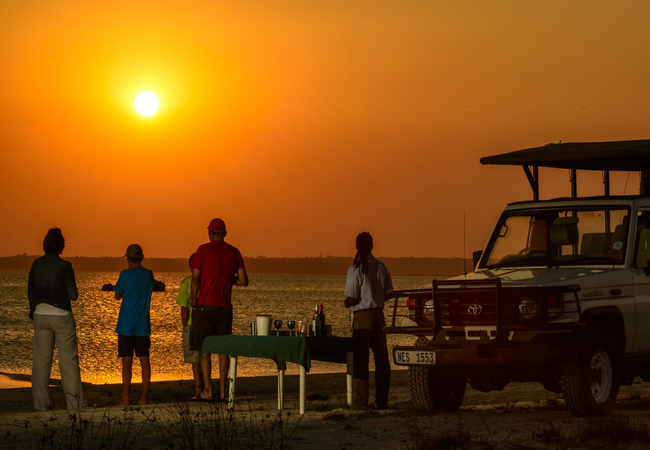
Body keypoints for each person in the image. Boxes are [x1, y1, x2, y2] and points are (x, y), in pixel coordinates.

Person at [28, 227, 89, 410]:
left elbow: (30, 292)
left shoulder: (36, 264)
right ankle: (75, 403)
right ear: (61, 245)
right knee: (69, 360)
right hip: (61, 315)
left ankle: (41, 404)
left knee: (41, 360)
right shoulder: (65, 266)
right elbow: (73, 295)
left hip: (40, 314)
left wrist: (34, 310)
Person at [190, 218, 248, 402]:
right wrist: (227, 279)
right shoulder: (234, 252)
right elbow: (243, 281)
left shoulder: (202, 250)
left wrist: (193, 302)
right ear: (224, 233)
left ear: (209, 233)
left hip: (205, 306)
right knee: (224, 350)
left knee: (204, 349)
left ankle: (208, 390)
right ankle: (223, 392)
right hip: (224, 307)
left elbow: (195, 279)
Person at [343, 232, 393, 409]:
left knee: (360, 361)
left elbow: (352, 298)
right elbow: (388, 294)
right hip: (378, 316)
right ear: (372, 246)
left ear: (357, 246)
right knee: (382, 361)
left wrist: (346, 302)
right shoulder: (381, 267)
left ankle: (360, 401)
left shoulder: (355, 269)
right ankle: (382, 401)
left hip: (362, 318)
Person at [113, 244, 154, 406]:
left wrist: (121, 291)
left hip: (126, 324)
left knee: (127, 361)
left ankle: (126, 399)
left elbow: (117, 296)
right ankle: (143, 398)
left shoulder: (124, 274)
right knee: (144, 360)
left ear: (129, 259)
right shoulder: (149, 274)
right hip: (142, 323)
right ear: (142, 258)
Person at [175, 253, 204, 400]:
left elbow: (184, 308)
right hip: (207, 323)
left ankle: (199, 390)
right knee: (205, 356)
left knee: (195, 360)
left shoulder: (187, 282)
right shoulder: (207, 281)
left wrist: (185, 325)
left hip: (193, 324)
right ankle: (205, 388)